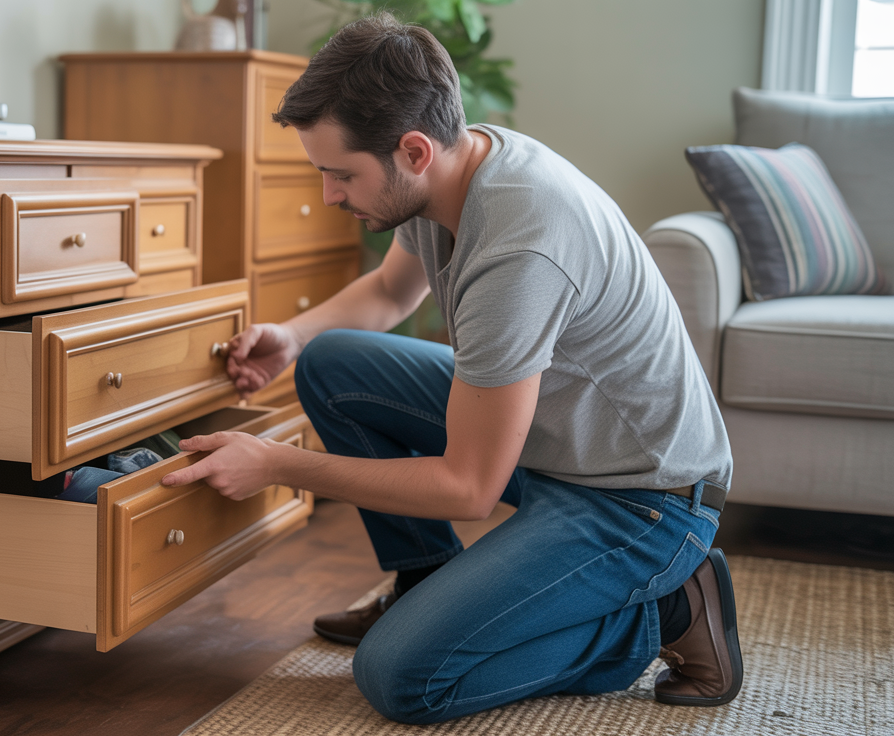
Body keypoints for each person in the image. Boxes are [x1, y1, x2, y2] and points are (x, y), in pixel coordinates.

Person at [159, 12, 743, 725]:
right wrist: (294, 334)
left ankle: (667, 613)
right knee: (334, 363)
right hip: (556, 442)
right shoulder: (453, 169)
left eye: (341, 174)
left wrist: (281, 464)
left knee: (403, 675)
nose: (329, 196)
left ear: (411, 150)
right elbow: (386, 292)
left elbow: (469, 487)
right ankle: (427, 583)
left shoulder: (519, 245)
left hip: (642, 498)